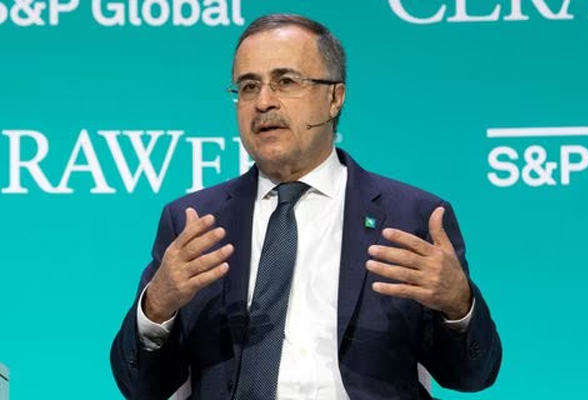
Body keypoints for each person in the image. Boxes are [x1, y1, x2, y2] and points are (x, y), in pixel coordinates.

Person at [110, 14, 502, 400]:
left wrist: (458, 305)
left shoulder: (411, 217)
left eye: (285, 81)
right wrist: (156, 308)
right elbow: (141, 387)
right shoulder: (194, 222)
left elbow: (472, 377)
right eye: (248, 87)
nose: (263, 102)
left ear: (335, 97)